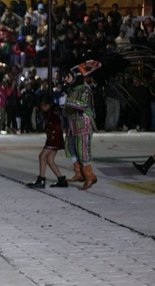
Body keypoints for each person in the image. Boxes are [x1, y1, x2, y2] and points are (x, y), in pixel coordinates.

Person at [62, 60, 100, 190]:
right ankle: (79, 173)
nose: (65, 79)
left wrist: (69, 102)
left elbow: (83, 105)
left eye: (68, 76)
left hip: (84, 123)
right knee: (70, 147)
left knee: (82, 150)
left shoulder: (85, 89)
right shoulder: (72, 89)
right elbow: (68, 108)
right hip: (72, 124)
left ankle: (89, 176)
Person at [26, 95, 68, 188]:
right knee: (49, 160)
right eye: (42, 105)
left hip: (54, 137)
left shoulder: (54, 110)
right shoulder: (47, 111)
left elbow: (62, 113)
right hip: (52, 136)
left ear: (50, 104)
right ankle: (61, 179)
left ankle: (41, 180)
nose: (43, 107)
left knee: (42, 156)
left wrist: (60, 110)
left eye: (45, 105)